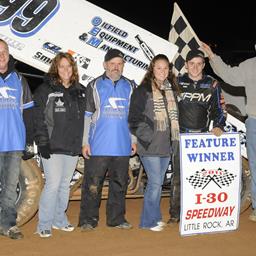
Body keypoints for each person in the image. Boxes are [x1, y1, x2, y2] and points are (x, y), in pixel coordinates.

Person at [78, 48, 136, 231]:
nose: (116, 67)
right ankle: (88, 220)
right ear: (105, 65)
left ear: (123, 66)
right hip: (98, 145)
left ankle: (116, 219)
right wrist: (85, 142)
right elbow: (87, 115)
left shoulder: (131, 86)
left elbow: (133, 117)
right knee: (93, 184)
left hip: (122, 145)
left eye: (119, 64)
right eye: (112, 64)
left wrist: (133, 140)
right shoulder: (94, 85)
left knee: (119, 185)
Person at [168, 49, 226, 224]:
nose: (195, 67)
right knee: (178, 176)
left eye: (199, 63)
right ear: (186, 65)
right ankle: (175, 214)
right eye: (191, 63)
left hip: (202, 139)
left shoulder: (212, 84)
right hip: (180, 137)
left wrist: (218, 126)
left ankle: (196, 213)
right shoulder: (176, 82)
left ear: (204, 65)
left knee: (199, 177)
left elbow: (219, 110)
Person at [33, 52, 86, 238]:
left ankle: (59, 219)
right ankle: (44, 224)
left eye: (69, 66)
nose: (65, 70)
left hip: (72, 146)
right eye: (62, 66)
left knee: (64, 185)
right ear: (56, 68)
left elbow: (84, 120)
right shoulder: (45, 89)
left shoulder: (80, 90)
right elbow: (38, 118)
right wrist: (42, 142)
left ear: (73, 69)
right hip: (52, 146)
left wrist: (82, 143)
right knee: (53, 184)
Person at [202, 42, 256, 222]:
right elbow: (229, 75)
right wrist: (212, 56)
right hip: (254, 122)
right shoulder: (249, 65)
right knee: (254, 167)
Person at [128, 54, 179, 231]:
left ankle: (155, 217)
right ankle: (148, 222)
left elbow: (175, 118)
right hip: (149, 146)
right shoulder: (142, 90)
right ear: (152, 69)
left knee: (156, 183)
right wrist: (146, 136)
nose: (162, 71)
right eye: (159, 67)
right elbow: (133, 119)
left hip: (166, 146)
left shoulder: (171, 90)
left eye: (165, 68)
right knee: (156, 183)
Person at [0, 39, 34, 240]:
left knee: (10, 187)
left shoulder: (19, 80)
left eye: (4, 51)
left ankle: (8, 225)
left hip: (14, 144)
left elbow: (29, 112)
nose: (1, 55)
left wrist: (29, 140)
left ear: (9, 53)